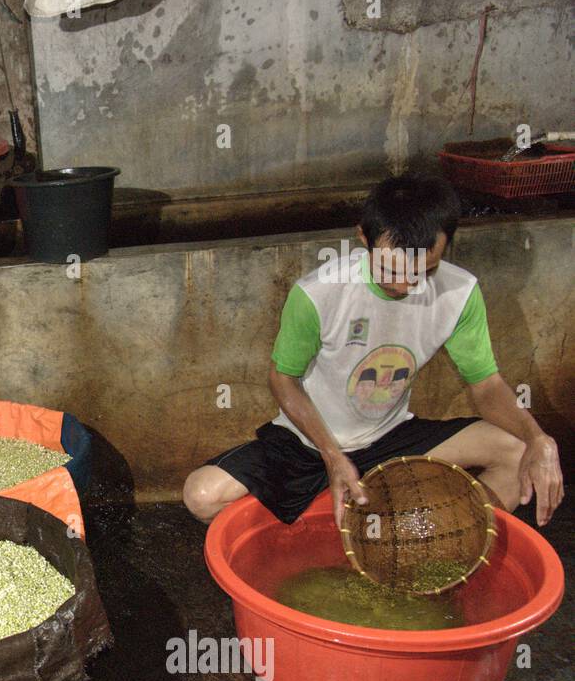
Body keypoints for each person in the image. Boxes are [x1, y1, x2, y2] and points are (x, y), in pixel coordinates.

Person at [183, 175, 564, 529]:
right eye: (391, 270)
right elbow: (283, 379)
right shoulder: (319, 293)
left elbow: (485, 385)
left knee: (516, 451)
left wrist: (538, 438)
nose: (405, 286)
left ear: (445, 245)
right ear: (363, 238)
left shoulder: (459, 292)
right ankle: (327, 524)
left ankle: (435, 540)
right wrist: (333, 456)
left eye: (423, 272)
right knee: (201, 495)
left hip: (392, 436)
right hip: (310, 442)